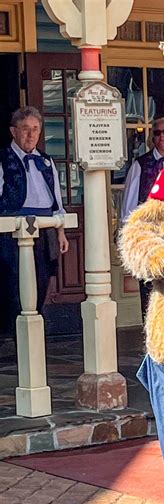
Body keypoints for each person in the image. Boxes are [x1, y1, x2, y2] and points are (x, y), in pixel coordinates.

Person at [0, 106, 69, 335]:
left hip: (46, 228)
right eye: (25, 129)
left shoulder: (46, 161)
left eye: (35, 129)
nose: (30, 135)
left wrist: (61, 232)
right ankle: (15, 334)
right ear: (13, 131)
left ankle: (35, 329)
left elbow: (56, 202)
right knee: (14, 283)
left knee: (42, 280)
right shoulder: (3, 159)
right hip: (13, 231)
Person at [121, 117, 164, 318]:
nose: (162, 136)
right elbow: (129, 207)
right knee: (149, 291)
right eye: (157, 133)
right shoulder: (141, 165)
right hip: (151, 235)